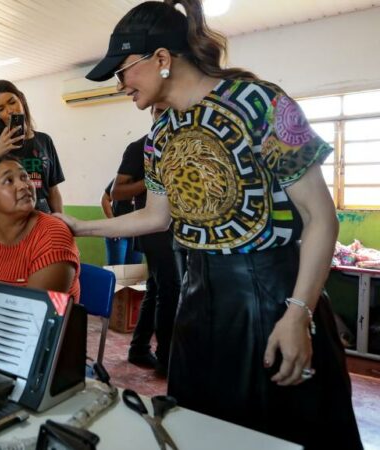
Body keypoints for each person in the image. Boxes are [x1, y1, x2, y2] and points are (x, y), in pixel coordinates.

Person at [59, 1, 362, 448]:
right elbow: (156, 216)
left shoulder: (261, 103)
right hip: (198, 300)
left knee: (281, 431)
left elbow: (321, 217)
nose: (120, 84)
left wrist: (297, 313)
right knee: (200, 430)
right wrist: (78, 228)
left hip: (271, 297)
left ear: (161, 59)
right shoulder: (160, 133)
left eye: (123, 71)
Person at [112, 105, 179, 376]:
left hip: (178, 231)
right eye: (159, 111)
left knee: (157, 289)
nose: (164, 116)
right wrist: (155, 182)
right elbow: (117, 192)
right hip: (154, 231)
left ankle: (139, 348)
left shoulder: (184, 144)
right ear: (151, 112)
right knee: (170, 290)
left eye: (170, 110)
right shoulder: (140, 147)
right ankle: (165, 358)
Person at [0, 155, 80, 300]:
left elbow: (35, 314)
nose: (24, 185)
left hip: (33, 321)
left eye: (25, 177)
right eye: (9, 180)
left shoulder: (53, 237)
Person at [0, 80, 65, 214]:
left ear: (21, 100)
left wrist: (62, 225)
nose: (9, 110)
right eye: (1, 109)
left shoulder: (44, 140)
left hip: (43, 217)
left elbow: (53, 190)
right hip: (7, 218)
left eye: (12, 102)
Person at [100, 180, 142, 265]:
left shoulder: (150, 182)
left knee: (134, 271)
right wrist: (113, 223)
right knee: (117, 269)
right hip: (118, 231)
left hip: (138, 232)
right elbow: (105, 199)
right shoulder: (122, 179)